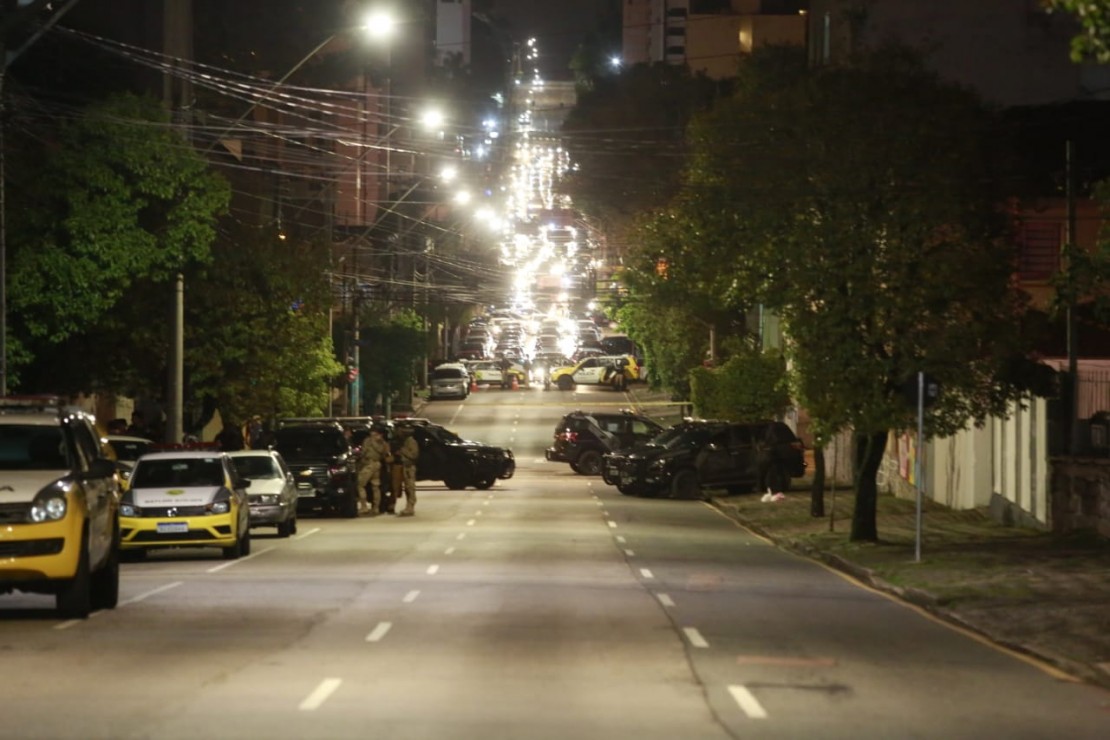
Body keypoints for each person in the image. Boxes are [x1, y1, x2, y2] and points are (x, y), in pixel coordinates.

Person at [356, 426, 392, 516]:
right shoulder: (384, 443)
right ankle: (375, 508)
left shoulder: (368, 441)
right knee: (375, 486)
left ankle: (364, 507)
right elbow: (385, 454)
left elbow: (363, 452)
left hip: (369, 464)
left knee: (360, 484)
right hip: (377, 464)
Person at [395, 425, 420, 516]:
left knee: (410, 487)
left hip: (410, 467)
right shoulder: (405, 442)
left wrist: (403, 451)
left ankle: (411, 506)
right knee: (407, 488)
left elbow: (413, 455)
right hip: (405, 466)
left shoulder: (411, 442)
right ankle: (408, 505)